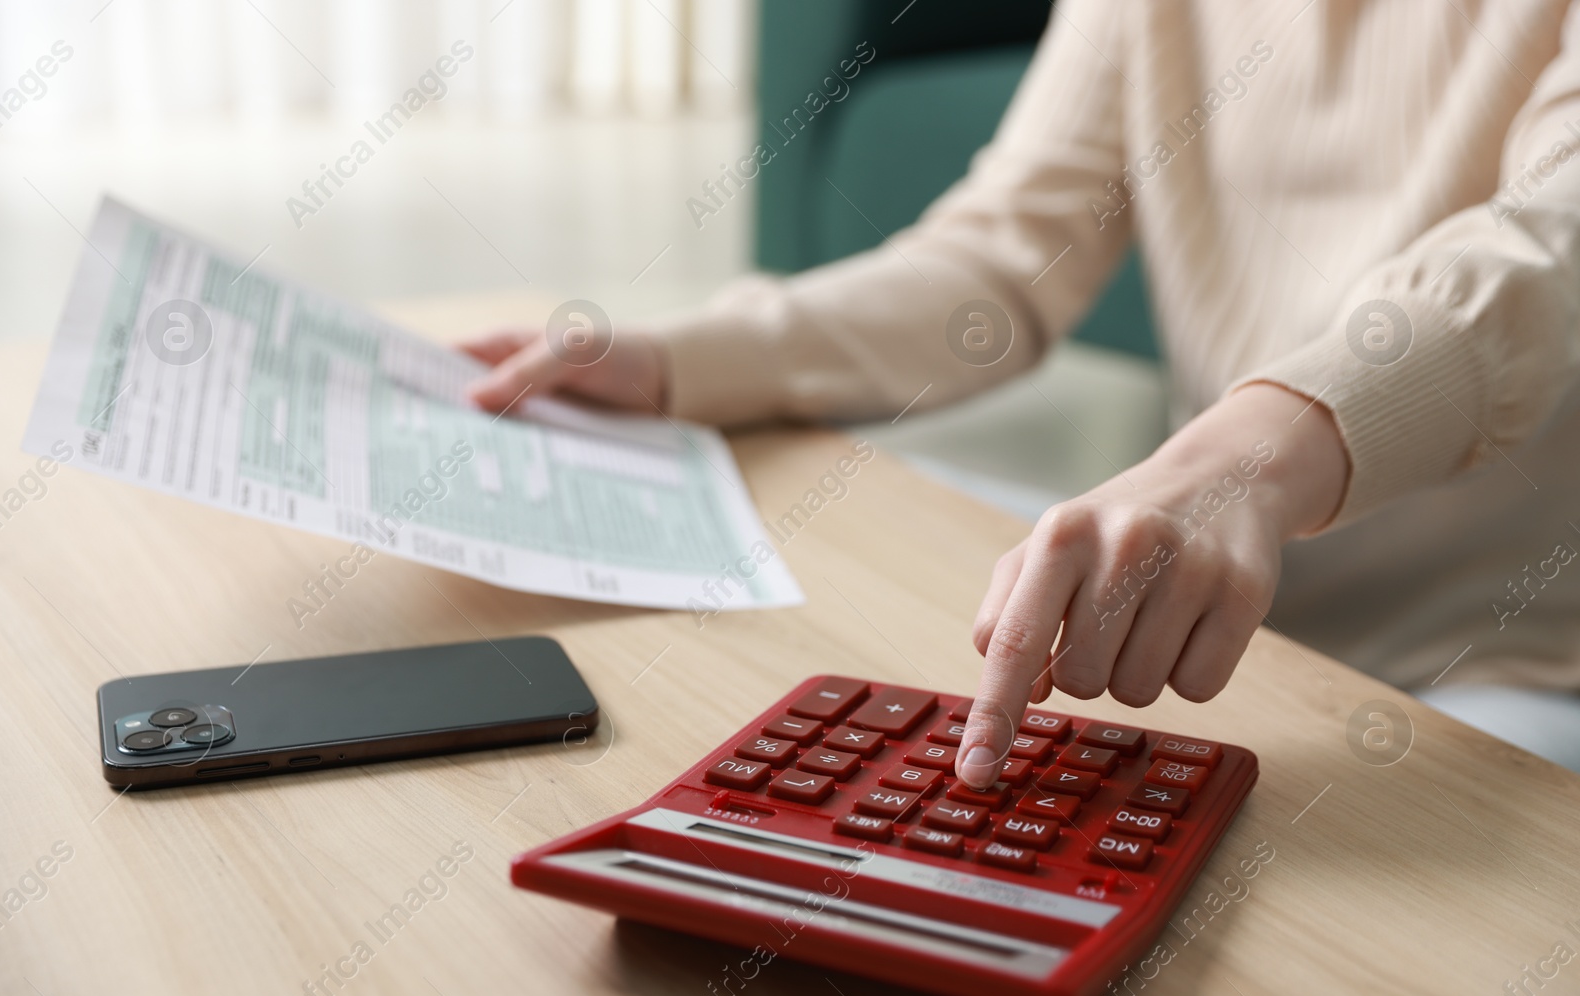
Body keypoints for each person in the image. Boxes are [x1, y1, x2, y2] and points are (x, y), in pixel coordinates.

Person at [460, 0, 1580, 784]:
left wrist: (1240, 457)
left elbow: (1537, 259)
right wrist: (683, 361)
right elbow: (997, 260)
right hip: (1189, 646)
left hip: (1499, 668)